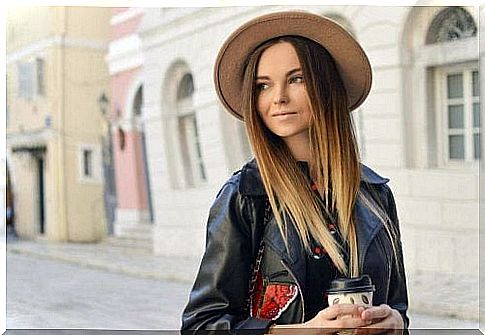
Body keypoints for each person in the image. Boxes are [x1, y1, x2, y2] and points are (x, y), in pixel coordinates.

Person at [181, 10, 409, 335]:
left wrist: (396, 322)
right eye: (263, 86)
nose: (279, 98)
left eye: (296, 79)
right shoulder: (246, 195)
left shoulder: (375, 193)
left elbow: (398, 305)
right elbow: (200, 326)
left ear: (325, 86)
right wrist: (305, 331)